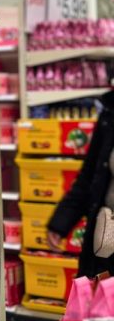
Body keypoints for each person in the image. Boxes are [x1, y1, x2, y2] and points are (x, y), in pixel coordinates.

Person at [47, 93, 114, 278]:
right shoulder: (110, 112)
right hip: (106, 238)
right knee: (98, 302)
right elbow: (91, 174)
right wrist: (62, 221)